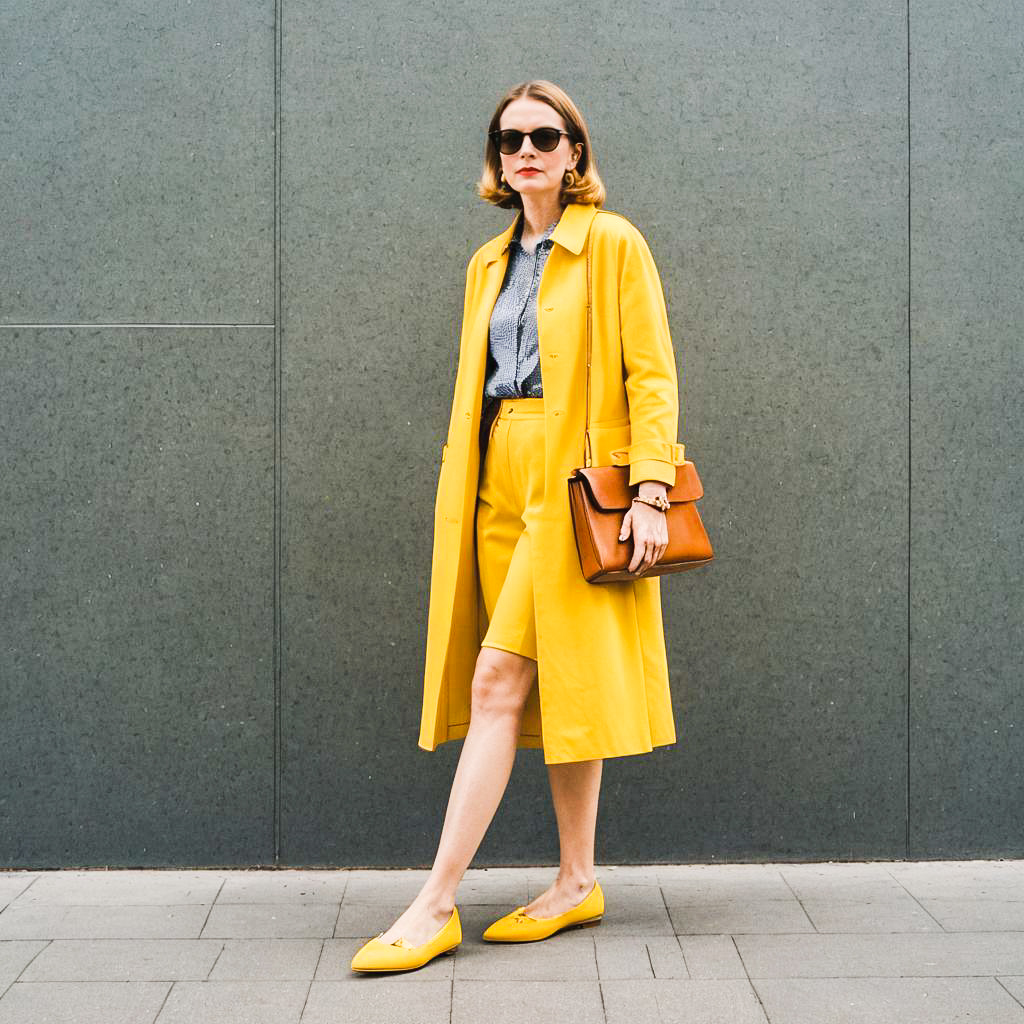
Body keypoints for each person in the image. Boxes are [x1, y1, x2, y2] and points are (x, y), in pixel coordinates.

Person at [351, 80, 685, 973]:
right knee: (550, 682)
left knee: (498, 679)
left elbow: (651, 375)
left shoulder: (612, 244)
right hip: (496, 472)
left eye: (546, 135)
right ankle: (577, 881)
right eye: (510, 140)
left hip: (571, 474)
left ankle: (434, 903)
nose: (526, 151)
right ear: (497, 160)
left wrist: (650, 488)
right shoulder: (486, 263)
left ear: (576, 151)